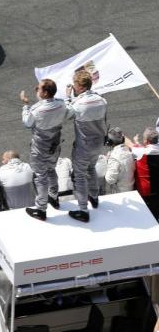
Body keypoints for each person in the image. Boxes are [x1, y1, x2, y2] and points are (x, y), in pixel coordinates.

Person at [21, 79, 67, 221]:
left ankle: (41, 209)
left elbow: (27, 123)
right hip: (54, 144)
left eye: (38, 88)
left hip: (40, 148)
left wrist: (25, 105)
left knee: (41, 176)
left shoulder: (36, 109)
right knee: (51, 169)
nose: (36, 89)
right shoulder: (61, 104)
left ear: (45, 93)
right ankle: (54, 197)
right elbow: (69, 112)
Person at [65, 71, 108, 222]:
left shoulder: (77, 104)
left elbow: (67, 114)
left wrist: (67, 97)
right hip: (98, 143)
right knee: (91, 168)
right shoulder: (102, 100)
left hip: (84, 145)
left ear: (80, 86)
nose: (73, 86)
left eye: (74, 84)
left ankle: (83, 210)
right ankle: (94, 197)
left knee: (80, 175)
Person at [127, 127, 159, 219]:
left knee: (147, 216)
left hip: (146, 191)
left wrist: (121, 135)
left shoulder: (141, 151)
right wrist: (137, 143)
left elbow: (129, 144)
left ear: (146, 141)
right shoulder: (142, 150)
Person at [104, 127, 135, 194]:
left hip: (119, 193)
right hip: (131, 189)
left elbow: (110, 179)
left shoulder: (114, 158)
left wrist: (107, 163)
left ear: (109, 142)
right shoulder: (129, 151)